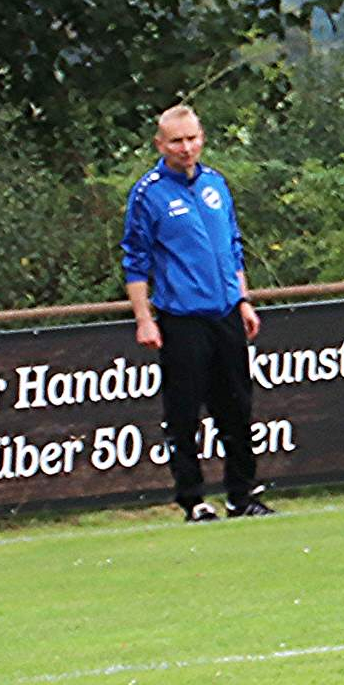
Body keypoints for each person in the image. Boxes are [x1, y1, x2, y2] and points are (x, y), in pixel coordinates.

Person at [121, 104, 269, 522]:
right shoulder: (148, 193)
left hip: (226, 312)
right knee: (184, 412)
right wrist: (144, 319)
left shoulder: (215, 184)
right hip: (182, 317)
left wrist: (243, 299)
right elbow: (135, 261)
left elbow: (232, 247)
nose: (186, 148)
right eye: (176, 141)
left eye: (192, 138)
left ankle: (242, 496)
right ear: (160, 144)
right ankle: (193, 500)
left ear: (202, 138)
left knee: (237, 408)